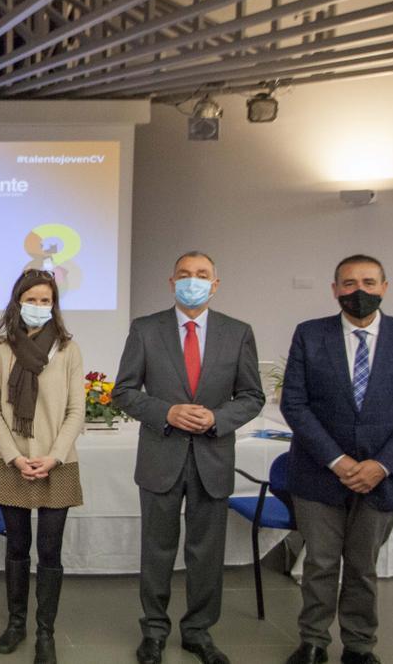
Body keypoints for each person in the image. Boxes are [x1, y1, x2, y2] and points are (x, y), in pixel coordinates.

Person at [280, 255, 393, 664]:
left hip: (383, 476)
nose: (359, 291)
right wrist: (336, 460)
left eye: (369, 282)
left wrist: (380, 465)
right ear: (334, 290)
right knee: (319, 563)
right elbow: (294, 404)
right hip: (319, 471)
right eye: (349, 284)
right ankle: (313, 640)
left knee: (363, 568)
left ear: (385, 286)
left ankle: (359, 645)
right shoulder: (310, 335)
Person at [112, 251, 264, 664]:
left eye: (201, 275)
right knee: (157, 550)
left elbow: (252, 396)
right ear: (171, 281)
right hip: (161, 456)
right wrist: (167, 412)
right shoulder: (146, 329)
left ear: (215, 284)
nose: (192, 281)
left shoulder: (238, 332)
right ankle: (155, 631)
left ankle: (198, 631)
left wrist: (217, 417)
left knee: (206, 552)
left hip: (212, 458)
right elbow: (123, 391)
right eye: (184, 274)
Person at [0, 270, 85, 664]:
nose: (39, 307)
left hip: (57, 461)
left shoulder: (68, 349)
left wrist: (54, 455)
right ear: (17, 301)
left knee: (51, 551)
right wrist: (15, 456)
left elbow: (76, 410)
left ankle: (46, 632)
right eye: (33, 299)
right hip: (12, 460)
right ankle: (15, 623)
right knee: (17, 546)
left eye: (46, 301)